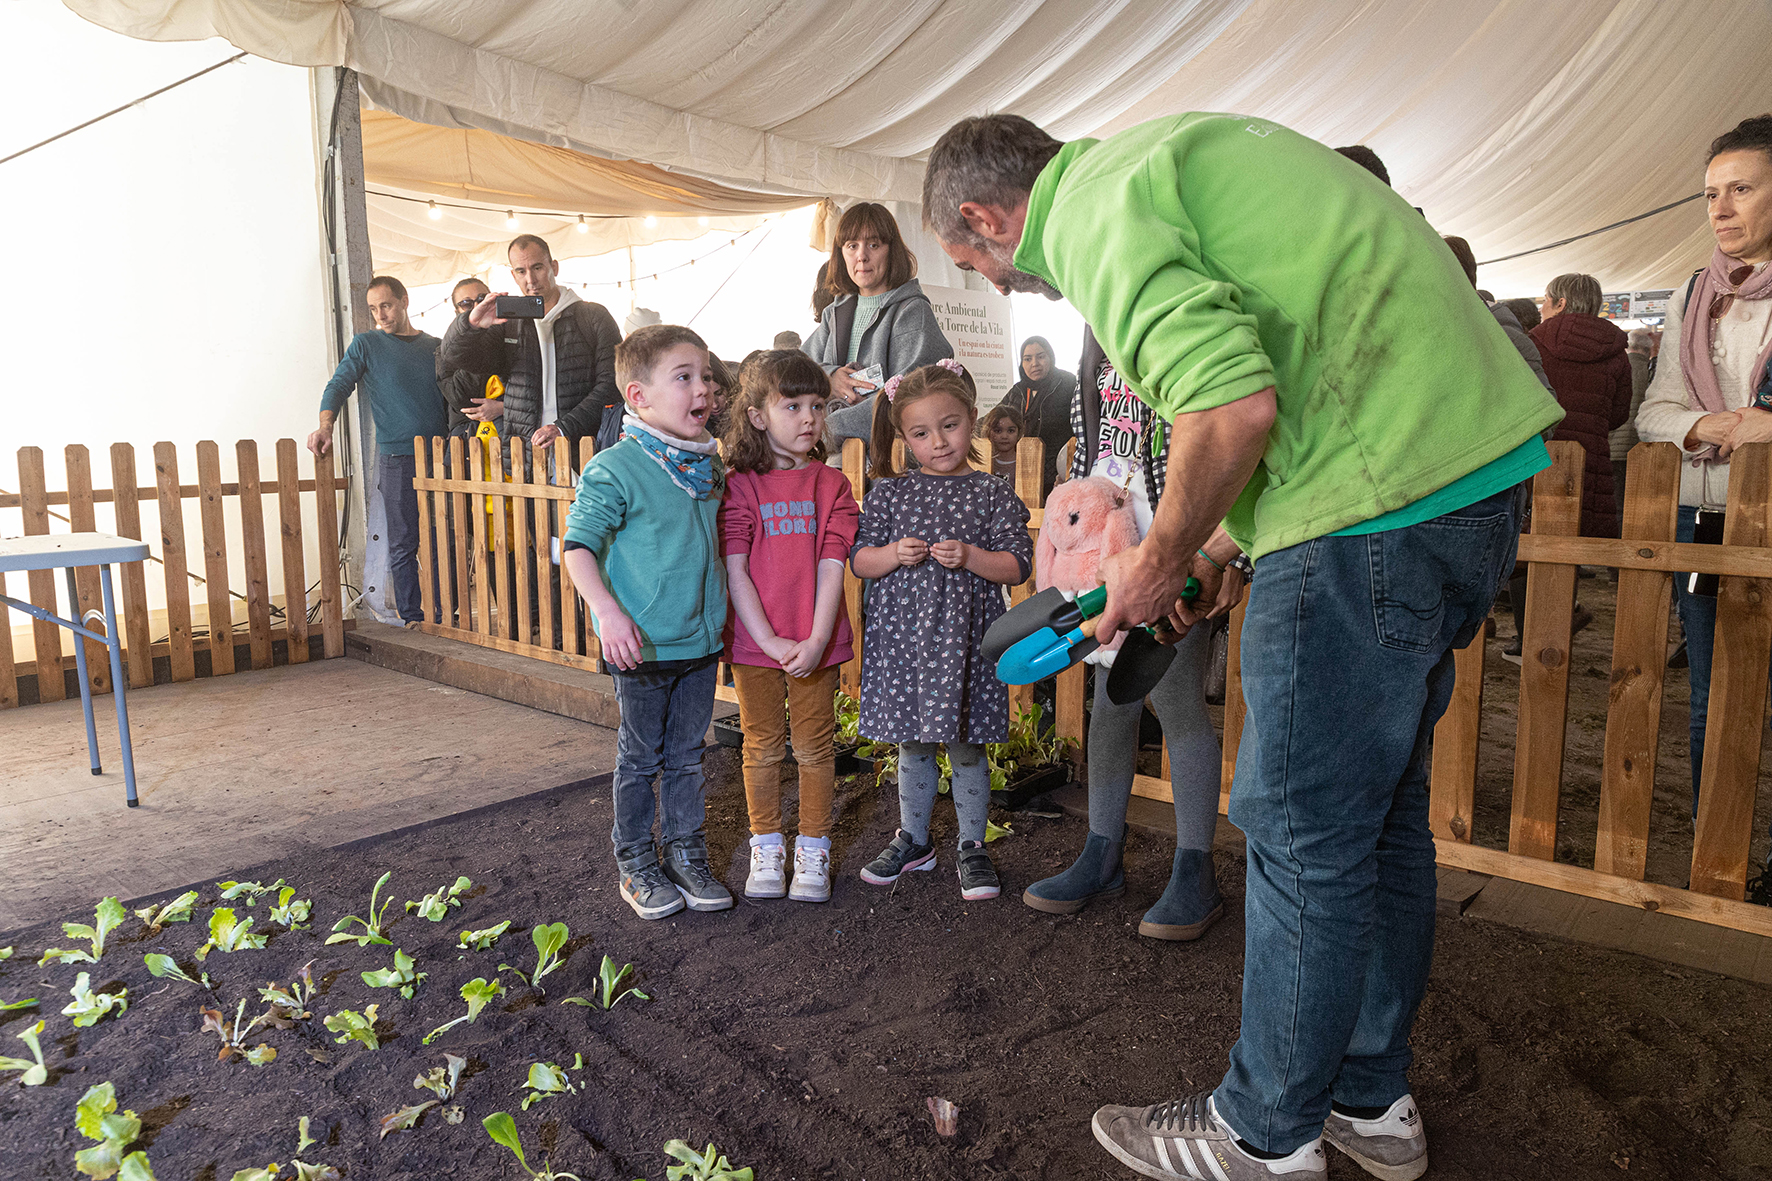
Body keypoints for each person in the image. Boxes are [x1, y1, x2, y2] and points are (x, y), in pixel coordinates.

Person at [923, 112, 1560, 1179]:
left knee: (1300, 826)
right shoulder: (1167, 159)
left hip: (1368, 510)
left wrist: (1161, 553)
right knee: (1377, 818)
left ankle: (1262, 1132)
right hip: (1457, 490)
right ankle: (1367, 1099)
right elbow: (1294, 380)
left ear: (986, 218)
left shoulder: (1091, 212)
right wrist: (1217, 549)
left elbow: (1231, 407)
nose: (996, 284)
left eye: (971, 260)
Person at [1022, 325, 1248, 941]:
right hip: (1109, 546)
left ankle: (1196, 868)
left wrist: (1223, 551)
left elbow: (1230, 443)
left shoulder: (1180, 329)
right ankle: (1102, 852)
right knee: (1111, 704)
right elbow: (1096, 446)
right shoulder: (1097, 339)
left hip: (1174, 541)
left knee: (1176, 702)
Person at [1636, 113, 1772, 903]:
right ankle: (1713, 851)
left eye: (1742, 188)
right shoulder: (1694, 292)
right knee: (1712, 691)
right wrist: (1716, 425)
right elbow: (1653, 415)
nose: (1720, 209)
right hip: (1706, 518)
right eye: (1711, 193)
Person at [559, 324, 732, 921]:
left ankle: (685, 852)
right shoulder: (615, 468)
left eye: (705, 376)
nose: (702, 388)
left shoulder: (707, 464)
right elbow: (577, 547)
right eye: (683, 377)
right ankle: (634, 860)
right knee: (640, 758)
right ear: (639, 396)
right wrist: (608, 615)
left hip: (700, 642)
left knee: (687, 756)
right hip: (641, 646)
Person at [849, 360, 1032, 900]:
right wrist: (890, 554)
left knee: (967, 746)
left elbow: (1018, 565)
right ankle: (915, 839)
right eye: (921, 432)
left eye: (949, 425)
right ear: (904, 437)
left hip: (967, 644)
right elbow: (859, 561)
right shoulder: (888, 494)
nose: (938, 441)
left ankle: (972, 846)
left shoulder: (991, 492)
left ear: (972, 419)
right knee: (913, 744)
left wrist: (974, 556)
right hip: (906, 645)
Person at [720, 351, 860, 904]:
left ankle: (813, 850)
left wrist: (818, 638)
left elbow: (833, 564)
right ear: (757, 415)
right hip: (757, 645)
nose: (809, 418)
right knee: (761, 745)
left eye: (818, 406)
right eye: (793, 405)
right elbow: (736, 569)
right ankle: (767, 845)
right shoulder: (740, 486)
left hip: (814, 643)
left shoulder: (832, 484)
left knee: (815, 747)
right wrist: (768, 639)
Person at [308, 275, 448, 625]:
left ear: (404, 301)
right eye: (373, 309)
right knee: (403, 540)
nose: (380, 315)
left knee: (446, 534)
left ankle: (448, 614)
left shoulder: (436, 346)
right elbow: (339, 383)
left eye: (386, 305)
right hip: (398, 456)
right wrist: (326, 425)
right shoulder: (366, 344)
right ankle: (412, 616)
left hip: (443, 453)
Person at [441, 235, 623, 456]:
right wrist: (471, 324)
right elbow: (453, 357)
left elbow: (612, 384)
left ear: (553, 267)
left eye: (537, 267)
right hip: (524, 453)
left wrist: (565, 428)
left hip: (584, 449)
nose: (531, 279)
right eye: (521, 271)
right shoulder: (508, 324)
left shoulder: (592, 316)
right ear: (513, 275)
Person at [806, 202, 955, 452]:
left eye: (873, 245)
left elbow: (908, 395)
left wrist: (827, 428)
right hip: (833, 456)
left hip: (889, 463)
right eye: (852, 245)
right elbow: (796, 372)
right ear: (840, 253)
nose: (861, 256)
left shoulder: (912, 312)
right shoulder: (835, 313)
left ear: (892, 250)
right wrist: (829, 377)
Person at [1531, 273, 1633, 538]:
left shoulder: (1533, 344)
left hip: (1538, 452)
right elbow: (1620, 413)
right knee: (1580, 538)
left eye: (1545, 300)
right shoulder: (1616, 351)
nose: (1541, 307)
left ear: (1560, 303)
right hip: (1592, 455)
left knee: (1535, 533)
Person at [1003, 335, 1078, 494]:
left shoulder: (1068, 383)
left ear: (1050, 357)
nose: (1034, 364)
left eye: (1041, 357)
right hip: (1024, 471)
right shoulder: (1018, 390)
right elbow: (996, 417)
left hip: (1061, 474)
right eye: (1027, 359)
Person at [437, 277, 497, 439]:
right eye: (466, 304)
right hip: (467, 438)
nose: (478, 307)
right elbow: (461, 399)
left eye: (482, 299)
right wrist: (473, 336)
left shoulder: (511, 333)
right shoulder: (447, 349)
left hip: (512, 433)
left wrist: (502, 407)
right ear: (458, 312)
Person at [1613, 328, 1655, 532]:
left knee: (1617, 505)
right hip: (1639, 449)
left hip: (1613, 449)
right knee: (1636, 506)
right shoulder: (1652, 373)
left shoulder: (1617, 369)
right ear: (1648, 351)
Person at [980, 403, 1025, 480]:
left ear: (1019, 433)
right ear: (988, 432)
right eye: (998, 431)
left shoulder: (1026, 465)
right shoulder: (981, 464)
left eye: (1011, 431)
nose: (1004, 436)